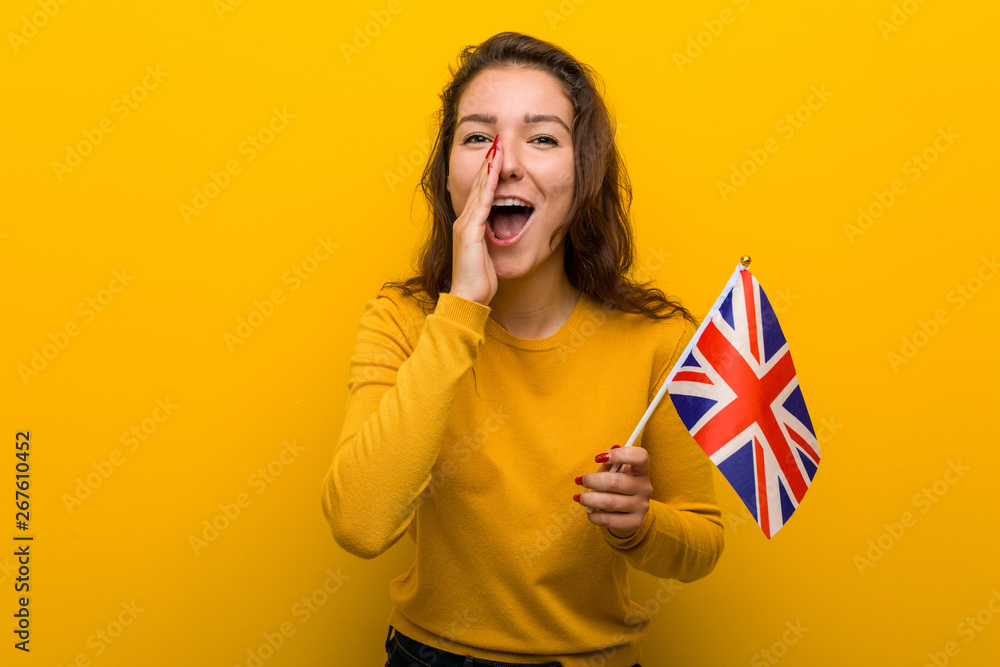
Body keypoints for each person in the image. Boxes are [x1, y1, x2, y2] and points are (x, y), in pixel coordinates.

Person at [321, 31, 724, 667]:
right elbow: (360, 524)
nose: (505, 162)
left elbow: (702, 542)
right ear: (446, 176)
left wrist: (639, 524)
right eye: (478, 136)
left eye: (541, 137)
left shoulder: (656, 340)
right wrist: (461, 308)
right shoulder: (403, 323)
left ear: (583, 173)